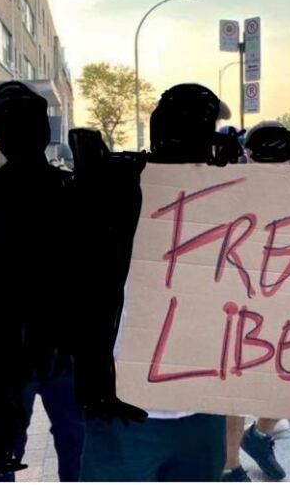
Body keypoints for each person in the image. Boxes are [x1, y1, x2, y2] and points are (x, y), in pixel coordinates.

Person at [79, 83, 236, 482]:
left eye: (206, 129)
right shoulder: (115, 187)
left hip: (201, 406)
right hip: (126, 408)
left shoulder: (232, 195)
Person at [0, 82, 87, 480]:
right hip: (67, 349)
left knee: (4, 449)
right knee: (76, 445)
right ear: (46, 133)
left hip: (6, 353)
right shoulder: (74, 192)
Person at [222, 121, 290, 483]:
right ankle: (230, 463)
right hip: (240, 299)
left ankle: (257, 436)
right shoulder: (232, 188)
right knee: (230, 385)